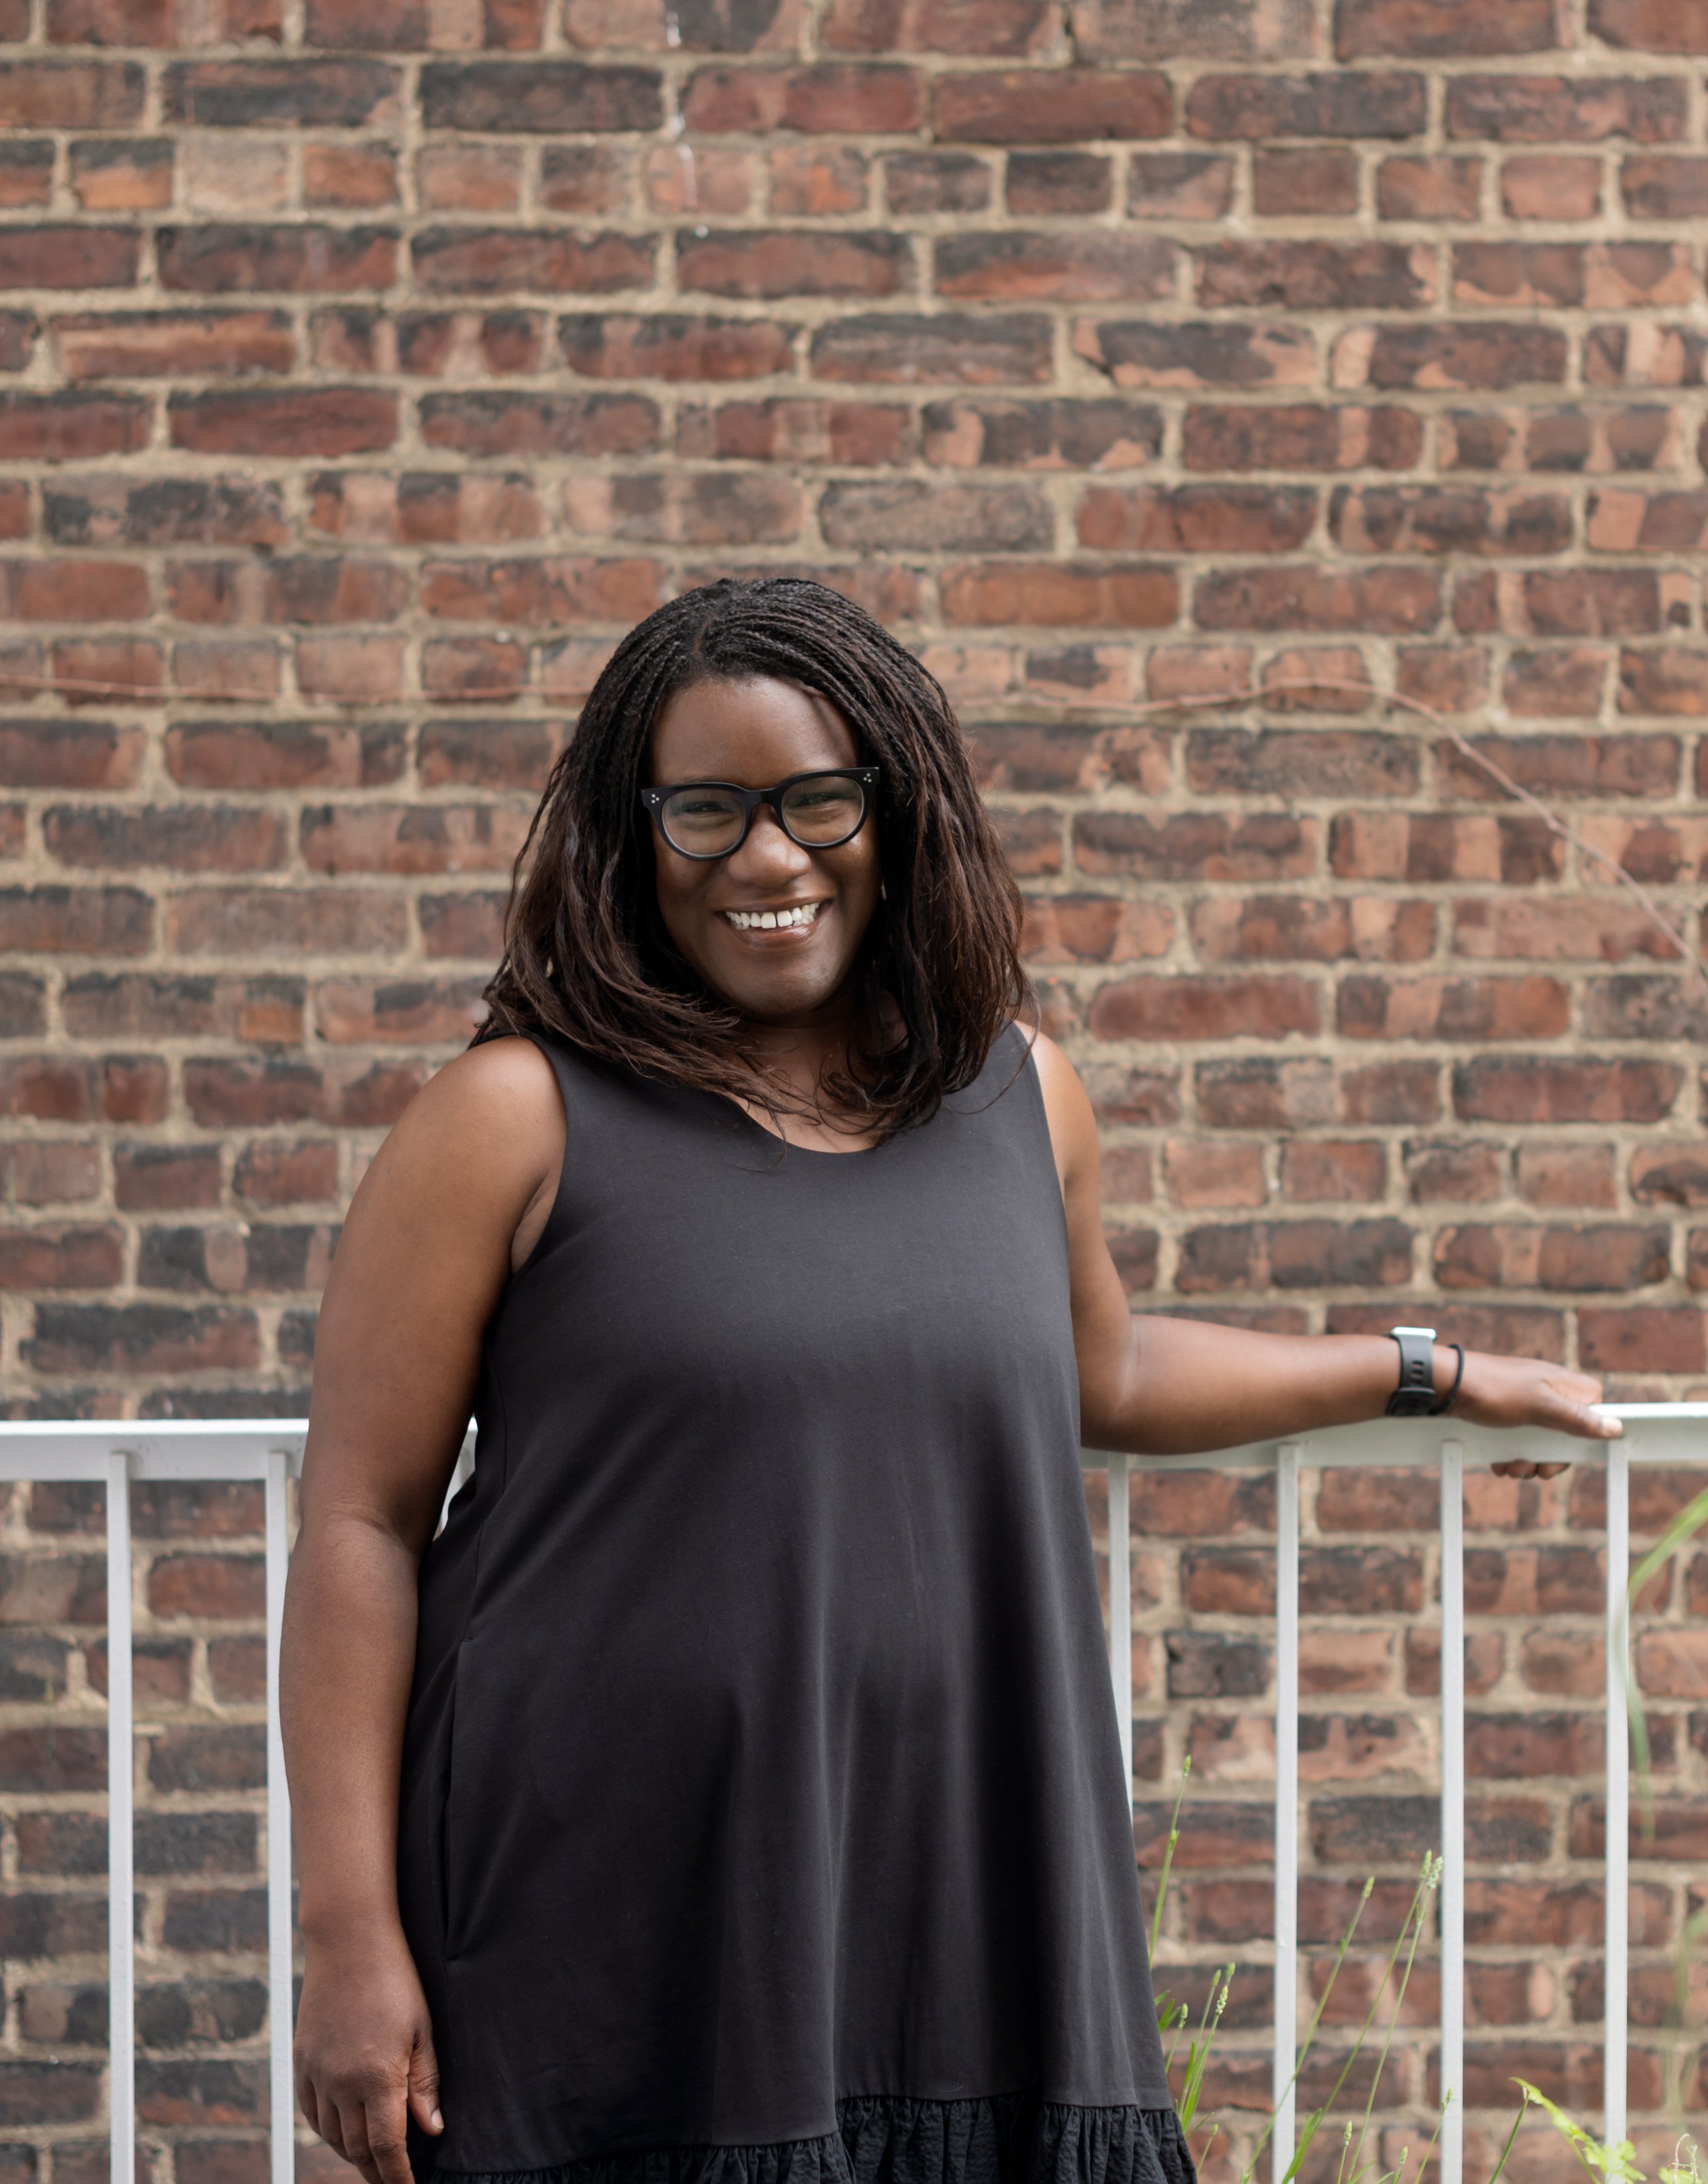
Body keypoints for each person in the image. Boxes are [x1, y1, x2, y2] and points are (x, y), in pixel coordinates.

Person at [281, 577, 1623, 2184]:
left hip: (966, 1891)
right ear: (629, 838)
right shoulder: (514, 1116)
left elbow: (1100, 1366)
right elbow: (360, 1517)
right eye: (705, 811)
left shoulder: (1017, 1091)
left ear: (896, 811)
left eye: (816, 801)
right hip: (616, 1918)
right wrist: (347, 1933)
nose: (768, 859)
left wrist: (1429, 1372)